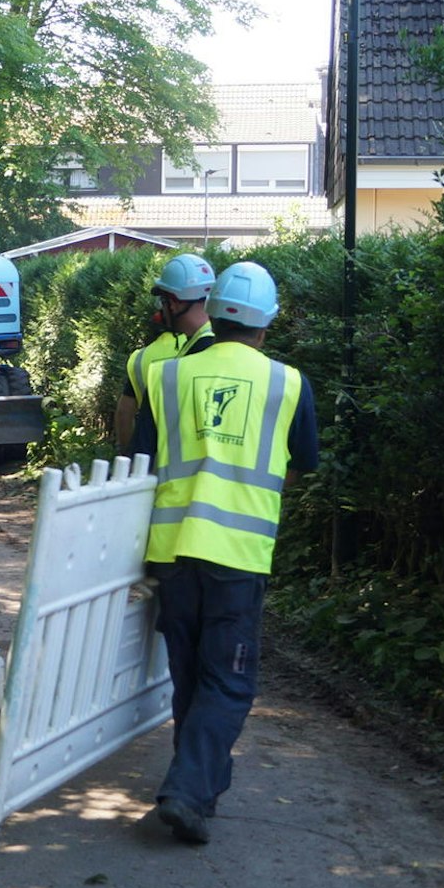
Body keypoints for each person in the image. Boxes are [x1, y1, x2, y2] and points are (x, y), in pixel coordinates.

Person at [127, 261, 318, 845]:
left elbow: (140, 458)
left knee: (190, 674)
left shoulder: (167, 377)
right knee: (228, 682)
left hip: (173, 550)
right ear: (267, 324)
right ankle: (186, 790)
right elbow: (305, 459)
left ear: (214, 311)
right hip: (237, 554)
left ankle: (200, 790)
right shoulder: (288, 384)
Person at [113, 252, 216, 449]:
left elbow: (126, 414)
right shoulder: (223, 348)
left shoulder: (172, 371)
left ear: (174, 303)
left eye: (163, 302)